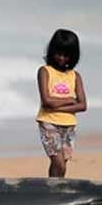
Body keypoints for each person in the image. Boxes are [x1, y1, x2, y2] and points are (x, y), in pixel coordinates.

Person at [36, 29, 87, 177]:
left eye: (66, 55)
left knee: (62, 163)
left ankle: (53, 190)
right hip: (48, 122)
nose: (61, 58)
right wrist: (70, 101)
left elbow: (83, 105)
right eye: (58, 53)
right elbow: (46, 102)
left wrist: (56, 104)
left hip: (69, 125)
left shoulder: (75, 76)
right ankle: (55, 188)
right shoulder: (45, 71)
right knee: (58, 162)